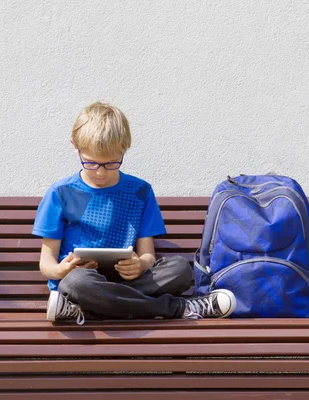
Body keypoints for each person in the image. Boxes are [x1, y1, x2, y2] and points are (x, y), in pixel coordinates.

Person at [32, 102, 236, 325]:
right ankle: (180, 308)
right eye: (91, 163)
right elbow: (47, 264)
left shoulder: (140, 191)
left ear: (124, 148)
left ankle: (82, 310)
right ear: (75, 147)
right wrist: (63, 269)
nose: (100, 172)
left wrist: (140, 264)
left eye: (111, 163)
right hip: (84, 281)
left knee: (179, 270)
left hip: (129, 281)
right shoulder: (60, 193)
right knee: (77, 283)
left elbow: (148, 256)